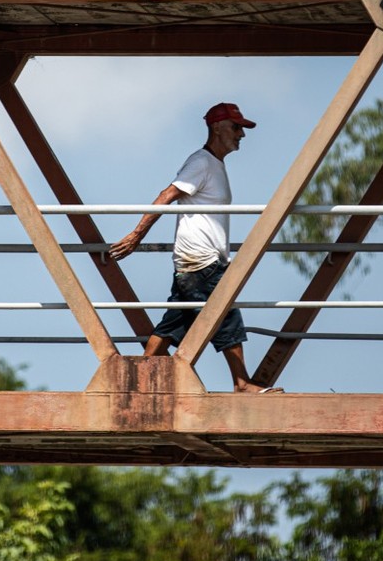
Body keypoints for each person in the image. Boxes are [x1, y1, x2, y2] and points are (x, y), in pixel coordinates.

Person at [108, 102, 280, 393]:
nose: (242, 134)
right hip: (200, 259)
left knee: (175, 323)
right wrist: (136, 235)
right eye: (236, 127)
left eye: (242, 128)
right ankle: (241, 383)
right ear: (217, 127)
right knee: (226, 315)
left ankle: (136, 382)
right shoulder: (200, 163)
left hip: (197, 261)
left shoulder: (214, 164)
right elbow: (167, 195)